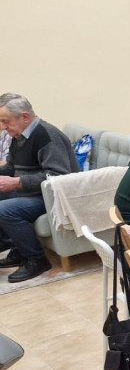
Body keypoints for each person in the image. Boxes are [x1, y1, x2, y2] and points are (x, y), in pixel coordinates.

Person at [0, 93, 78, 283]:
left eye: (5, 121)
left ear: (25, 117)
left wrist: (17, 182)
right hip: (34, 193)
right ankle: (19, 249)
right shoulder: (20, 135)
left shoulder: (47, 135)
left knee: (4, 210)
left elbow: (59, 176)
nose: (2, 127)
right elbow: (12, 167)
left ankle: (37, 259)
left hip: (55, 196)